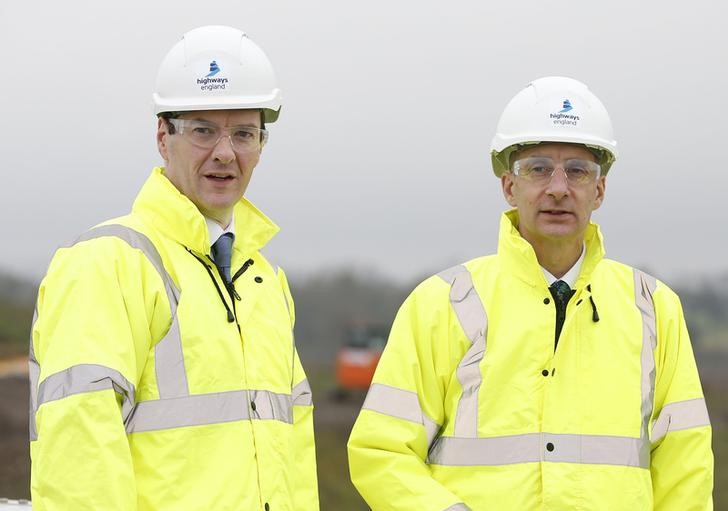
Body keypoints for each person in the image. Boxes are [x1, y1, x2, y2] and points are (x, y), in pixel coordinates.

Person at [347, 76, 713, 510]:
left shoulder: (654, 308)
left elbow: (684, 469)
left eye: (577, 170)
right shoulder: (442, 303)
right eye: (538, 168)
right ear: (509, 187)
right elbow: (382, 452)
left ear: (599, 191)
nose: (558, 187)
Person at [29, 25, 319, 510]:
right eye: (203, 130)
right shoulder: (110, 262)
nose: (225, 153)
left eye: (244, 133)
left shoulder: (264, 281)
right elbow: (78, 450)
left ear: (262, 146)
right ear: (163, 136)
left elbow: (295, 446)